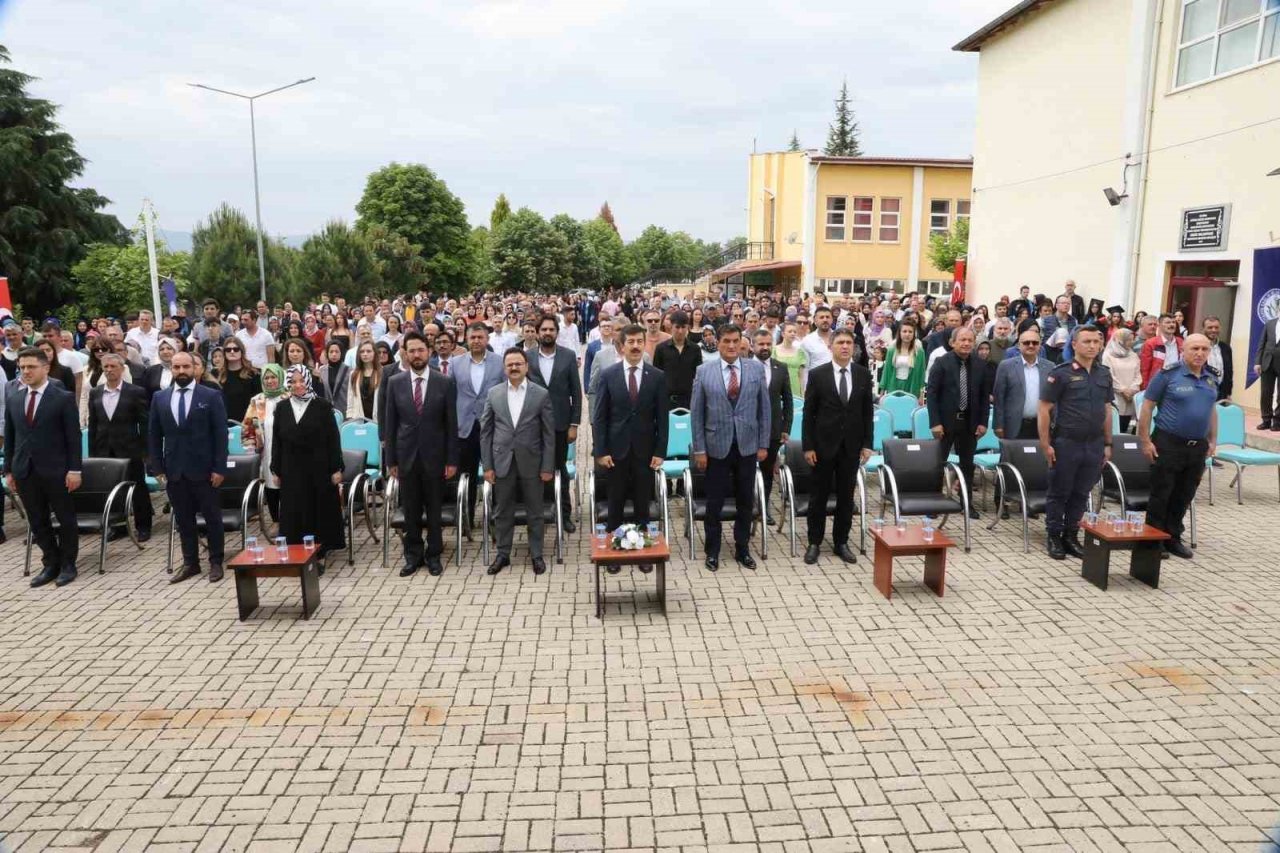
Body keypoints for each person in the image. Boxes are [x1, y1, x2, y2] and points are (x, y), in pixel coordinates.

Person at [690, 324, 771, 572]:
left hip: (747, 446)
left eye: (736, 341)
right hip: (716, 446)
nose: (732, 346)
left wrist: (763, 443)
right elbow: (696, 414)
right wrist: (700, 450)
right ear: (718, 342)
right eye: (726, 341)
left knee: (745, 500)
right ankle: (712, 550)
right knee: (714, 501)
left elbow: (764, 410)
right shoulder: (704, 371)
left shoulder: (755, 368)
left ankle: (742, 548)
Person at [592, 324, 669, 573]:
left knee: (642, 503)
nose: (636, 346)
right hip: (615, 452)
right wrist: (601, 451)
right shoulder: (608, 375)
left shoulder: (656, 376)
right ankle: (614, 554)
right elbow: (600, 416)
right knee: (614, 502)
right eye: (631, 342)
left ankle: (644, 553)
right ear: (621, 346)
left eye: (639, 341)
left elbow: (662, 418)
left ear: (644, 344)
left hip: (645, 452)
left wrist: (660, 451)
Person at [148, 351, 228, 584]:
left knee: (212, 518)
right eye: (176, 367)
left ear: (195, 368)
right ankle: (190, 563)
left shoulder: (211, 396)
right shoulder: (160, 398)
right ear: (171, 369)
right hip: (174, 470)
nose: (181, 371)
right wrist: (158, 468)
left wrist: (219, 468)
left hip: (205, 470)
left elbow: (220, 435)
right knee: (184, 520)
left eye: (186, 367)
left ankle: (215, 562)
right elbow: (154, 435)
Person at [383, 332, 459, 578]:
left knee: (434, 510)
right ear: (405, 353)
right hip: (406, 458)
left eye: (421, 350)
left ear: (429, 351)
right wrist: (391, 460)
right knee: (411, 510)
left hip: (435, 457)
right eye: (411, 350)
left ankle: (434, 555)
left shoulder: (444, 382)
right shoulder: (395, 382)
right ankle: (413, 556)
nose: (416, 355)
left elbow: (451, 425)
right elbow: (390, 424)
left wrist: (451, 460)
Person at [4, 347, 81, 585]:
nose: (26, 371)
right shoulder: (15, 397)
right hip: (25, 470)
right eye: (22, 367)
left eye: (31, 367)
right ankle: (50, 563)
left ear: (45, 368)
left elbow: (73, 437)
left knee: (66, 518)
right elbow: (11, 436)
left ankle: (68, 564)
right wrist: (9, 469)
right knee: (37, 520)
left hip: (57, 470)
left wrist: (75, 469)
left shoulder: (62, 398)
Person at [1139, 334, 1219, 560]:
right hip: (1168, 442)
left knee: (1184, 494)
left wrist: (1213, 440)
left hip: (1197, 447)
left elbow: (1211, 410)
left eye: (1204, 349)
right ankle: (1153, 541)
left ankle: (1173, 537)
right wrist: (1145, 440)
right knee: (1161, 493)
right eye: (1195, 348)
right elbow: (1147, 407)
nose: (1200, 353)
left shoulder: (1211, 379)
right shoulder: (1168, 375)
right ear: (1183, 349)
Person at [1039, 327, 1113, 560]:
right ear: (1074, 345)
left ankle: (1071, 535)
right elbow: (1044, 409)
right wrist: (1045, 444)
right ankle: (1054, 536)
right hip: (1066, 442)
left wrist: (1108, 443)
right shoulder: (1060, 373)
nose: (1092, 346)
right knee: (1059, 491)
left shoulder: (1104, 374)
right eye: (1087, 341)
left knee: (1081, 492)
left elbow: (1107, 409)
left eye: (1096, 341)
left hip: (1094, 444)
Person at [481, 348, 556, 577]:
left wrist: (547, 466)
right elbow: (486, 431)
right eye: (509, 364)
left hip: (532, 462)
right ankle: (503, 554)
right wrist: (488, 465)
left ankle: (536, 554)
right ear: (504, 368)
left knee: (535, 510)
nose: (514, 368)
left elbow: (548, 434)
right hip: (502, 460)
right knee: (503, 510)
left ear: (526, 366)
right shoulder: (493, 393)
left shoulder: (540, 394)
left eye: (518, 364)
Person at [800, 328, 872, 565]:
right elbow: (808, 413)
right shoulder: (818, 374)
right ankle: (814, 542)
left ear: (854, 347)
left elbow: (867, 412)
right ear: (830, 346)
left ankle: (841, 541)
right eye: (840, 342)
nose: (844, 346)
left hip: (850, 447)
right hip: (822, 446)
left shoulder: (862, 374)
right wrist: (808, 446)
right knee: (818, 496)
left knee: (845, 497)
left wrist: (867, 444)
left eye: (848, 343)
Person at [271, 365, 346, 565]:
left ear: (308, 381)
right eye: (293, 381)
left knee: (318, 510)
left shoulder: (322, 406)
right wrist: (275, 469)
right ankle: (296, 554)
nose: (298, 385)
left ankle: (319, 554)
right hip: (291, 468)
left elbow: (333, 439)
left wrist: (336, 468)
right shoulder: (282, 407)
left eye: (301, 380)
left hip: (318, 468)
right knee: (294, 510)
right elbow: (277, 441)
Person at [87, 352, 153, 542]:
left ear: (122, 369)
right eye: (105, 367)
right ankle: (119, 526)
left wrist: (144, 450)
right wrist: (93, 453)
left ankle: (143, 526)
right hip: (104, 449)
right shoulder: (96, 392)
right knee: (112, 489)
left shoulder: (135, 392)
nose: (109, 370)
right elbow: (93, 424)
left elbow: (144, 423)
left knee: (137, 488)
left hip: (129, 448)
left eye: (113, 367)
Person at [925, 327, 991, 517]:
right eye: (962, 340)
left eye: (970, 340)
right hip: (945, 424)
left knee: (967, 465)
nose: (966, 343)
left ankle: (966, 503)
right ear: (953, 342)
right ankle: (934, 504)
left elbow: (984, 397)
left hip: (969, 423)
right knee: (939, 463)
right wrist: (935, 423)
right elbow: (932, 394)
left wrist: (983, 422)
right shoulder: (942, 362)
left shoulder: (980, 365)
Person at [525, 314, 582, 532]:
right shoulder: (527, 357)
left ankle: (564, 514)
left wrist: (574, 424)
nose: (547, 333)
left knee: (560, 469)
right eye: (544, 330)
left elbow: (576, 393)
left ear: (557, 333)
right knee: (536, 470)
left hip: (560, 424)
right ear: (537, 333)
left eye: (551, 329)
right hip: (533, 424)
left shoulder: (567, 356)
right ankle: (541, 512)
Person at [991, 327, 1053, 517]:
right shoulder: (1007, 366)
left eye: (1034, 342)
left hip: (1039, 425)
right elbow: (999, 397)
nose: (1030, 346)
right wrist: (998, 424)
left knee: (1034, 465)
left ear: (1040, 345)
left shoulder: (1049, 367)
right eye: (1026, 343)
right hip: (1012, 424)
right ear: (1019, 345)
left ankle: (1028, 503)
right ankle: (1002, 503)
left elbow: (1053, 400)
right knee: (1008, 463)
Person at [449, 322, 505, 528]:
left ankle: (496, 518)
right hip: (465, 427)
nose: (476, 341)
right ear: (467, 339)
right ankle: (466, 518)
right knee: (467, 475)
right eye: (473, 337)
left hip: (493, 426)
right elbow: (450, 395)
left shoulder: (500, 363)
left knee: (495, 473)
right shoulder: (455, 363)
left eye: (480, 337)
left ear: (487, 339)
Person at [752, 329, 793, 509]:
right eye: (761, 344)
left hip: (773, 429)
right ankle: (747, 506)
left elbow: (788, 400)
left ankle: (763, 507)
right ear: (753, 345)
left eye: (768, 344)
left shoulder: (780, 367)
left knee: (768, 471)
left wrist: (786, 427)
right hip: (748, 428)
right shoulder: (743, 366)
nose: (765, 347)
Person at [244, 363, 288, 521]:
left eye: (273, 377)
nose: (270, 381)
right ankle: (276, 520)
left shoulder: (289, 398)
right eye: (266, 378)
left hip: (288, 450)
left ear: (281, 378)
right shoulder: (257, 400)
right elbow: (248, 427)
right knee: (271, 485)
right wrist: (250, 447)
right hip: (267, 450)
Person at [652, 310, 701, 410]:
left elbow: (698, 375)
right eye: (677, 327)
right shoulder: (661, 348)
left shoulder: (695, 349)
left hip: (689, 400)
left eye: (683, 327)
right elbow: (656, 374)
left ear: (687, 327)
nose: (680, 331)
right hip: (667, 401)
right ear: (671, 326)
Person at [1101, 328, 1142, 433]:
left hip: (1130, 397)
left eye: (1133, 339)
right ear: (1120, 340)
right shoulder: (1108, 355)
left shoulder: (1133, 355)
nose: (1132, 342)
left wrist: (1132, 389)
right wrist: (1122, 390)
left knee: (1125, 427)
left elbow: (1137, 375)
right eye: (1129, 340)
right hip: (1116, 396)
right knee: (1114, 427)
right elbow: (1108, 375)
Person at [216, 339, 261, 427]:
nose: (232, 352)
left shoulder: (254, 374)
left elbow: (258, 401)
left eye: (236, 349)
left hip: (248, 423)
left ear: (242, 351)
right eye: (228, 350)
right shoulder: (217, 374)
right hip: (224, 423)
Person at [878, 322, 926, 399]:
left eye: (910, 332)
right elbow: (886, 371)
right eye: (904, 331)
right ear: (899, 333)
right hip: (894, 385)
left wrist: (921, 394)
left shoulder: (919, 352)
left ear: (914, 334)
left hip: (911, 386)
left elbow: (922, 373)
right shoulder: (891, 350)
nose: (907, 334)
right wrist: (882, 392)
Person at [1139, 313, 1183, 388]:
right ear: (1159, 325)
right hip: (1158, 384)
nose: (1171, 325)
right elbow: (1144, 369)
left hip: (1177, 383)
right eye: (1168, 322)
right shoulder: (1151, 343)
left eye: (1173, 322)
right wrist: (1145, 388)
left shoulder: (1181, 342)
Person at [1202, 316, 1233, 402]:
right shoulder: (1198, 346)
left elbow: (1229, 372)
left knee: (1219, 415)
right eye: (1210, 327)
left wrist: (1228, 393)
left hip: (1221, 391)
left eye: (1216, 327)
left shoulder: (1225, 347)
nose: (1213, 330)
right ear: (1203, 329)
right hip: (1203, 390)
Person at [347, 341, 381, 421]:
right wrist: (349, 416)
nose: (365, 354)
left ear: (374, 353)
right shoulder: (353, 374)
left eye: (368, 351)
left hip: (378, 419)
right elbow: (350, 398)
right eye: (362, 351)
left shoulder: (382, 373)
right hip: (358, 418)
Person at [317, 341, 351, 416]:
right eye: (331, 352)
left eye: (337, 352)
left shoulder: (349, 371)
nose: (334, 354)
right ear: (327, 354)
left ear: (341, 353)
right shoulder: (321, 370)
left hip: (344, 410)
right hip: (327, 410)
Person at [774, 322, 808, 395]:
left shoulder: (800, 352)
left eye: (794, 332)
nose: (793, 334)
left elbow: (801, 376)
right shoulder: (774, 350)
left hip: (795, 388)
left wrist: (802, 393)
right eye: (790, 331)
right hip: (778, 388)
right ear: (783, 334)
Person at [798, 305, 835, 371]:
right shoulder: (807, 341)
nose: (825, 320)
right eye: (821, 317)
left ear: (832, 319)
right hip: (816, 380)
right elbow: (804, 368)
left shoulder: (839, 338)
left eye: (827, 317)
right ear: (815, 320)